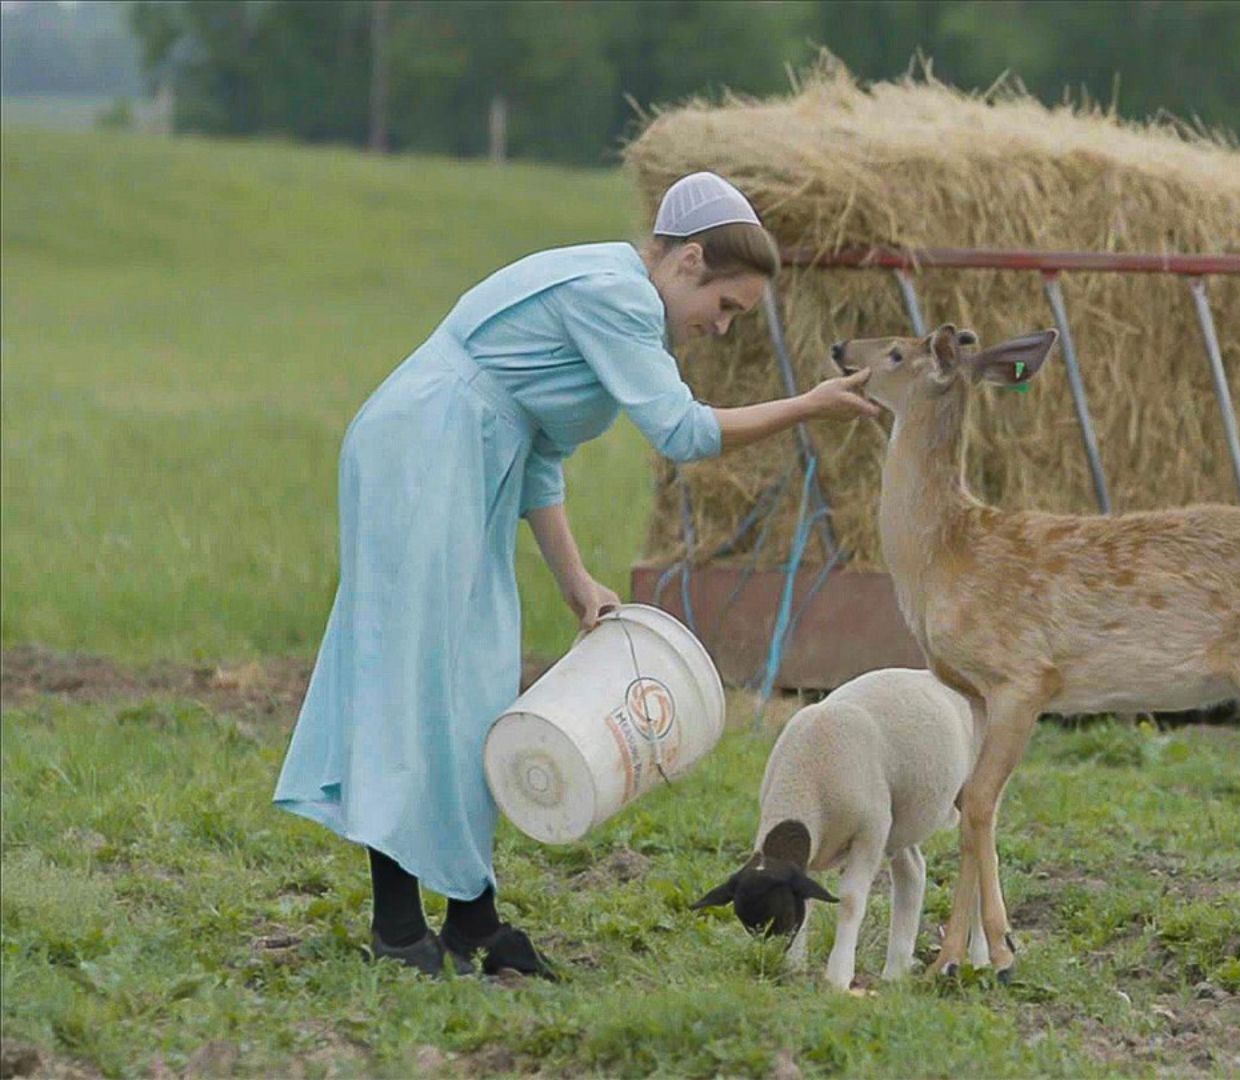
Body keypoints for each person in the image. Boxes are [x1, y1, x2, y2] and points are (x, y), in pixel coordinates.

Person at [272, 172, 878, 978]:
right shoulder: (618, 296)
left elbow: (540, 452)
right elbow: (684, 431)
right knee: (420, 679)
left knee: (474, 685)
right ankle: (399, 926)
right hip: (425, 451)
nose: (722, 329)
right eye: (726, 306)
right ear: (689, 261)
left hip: (467, 457)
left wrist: (574, 579)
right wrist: (808, 407)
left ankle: (472, 922)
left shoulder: (617, 297)